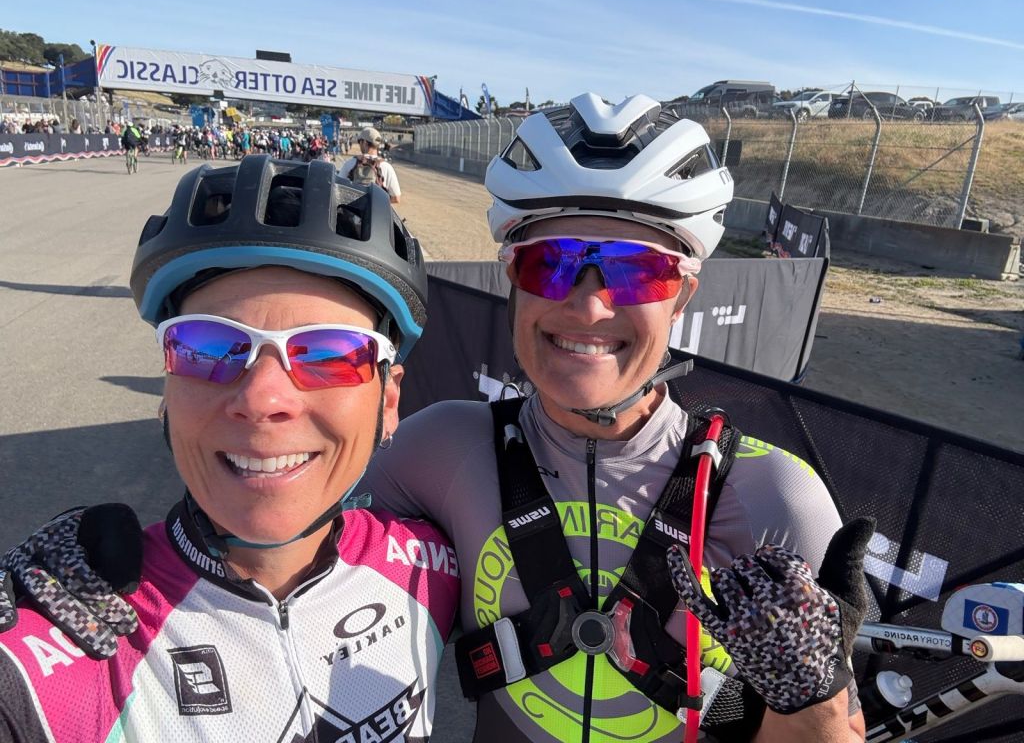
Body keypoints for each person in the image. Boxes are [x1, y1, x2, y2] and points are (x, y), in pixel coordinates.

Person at [1, 95, 869, 743]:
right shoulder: (442, 449)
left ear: (684, 293)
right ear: (513, 280)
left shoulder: (774, 498)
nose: (588, 304)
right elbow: (290, 523)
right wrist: (88, 586)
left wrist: (817, 697)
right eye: (550, 262)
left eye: (637, 271)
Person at [0, 155, 458, 741]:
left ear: (388, 401)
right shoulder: (68, 643)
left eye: (329, 354)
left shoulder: (436, 566)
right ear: (167, 389)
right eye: (208, 346)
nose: (262, 398)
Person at [340, 127, 401, 204]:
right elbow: (396, 198)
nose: (359, 144)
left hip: (353, 209)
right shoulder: (387, 167)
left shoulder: (350, 163)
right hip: (377, 210)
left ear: (365, 143)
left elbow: (337, 188)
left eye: (359, 142)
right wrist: (375, 203)